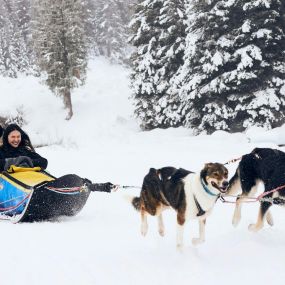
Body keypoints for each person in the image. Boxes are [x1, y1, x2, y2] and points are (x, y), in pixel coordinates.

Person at [0, 123, 117, 192]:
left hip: (33, 179)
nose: (16, 139)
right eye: (13, 137)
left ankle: (85, 187)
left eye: (18, 136)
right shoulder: (2, 151)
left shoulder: (25, 150)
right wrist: (13, 162)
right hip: (12, 184)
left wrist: (27, 161)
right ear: (6, 137)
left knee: (53, 181)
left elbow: (43, 162)